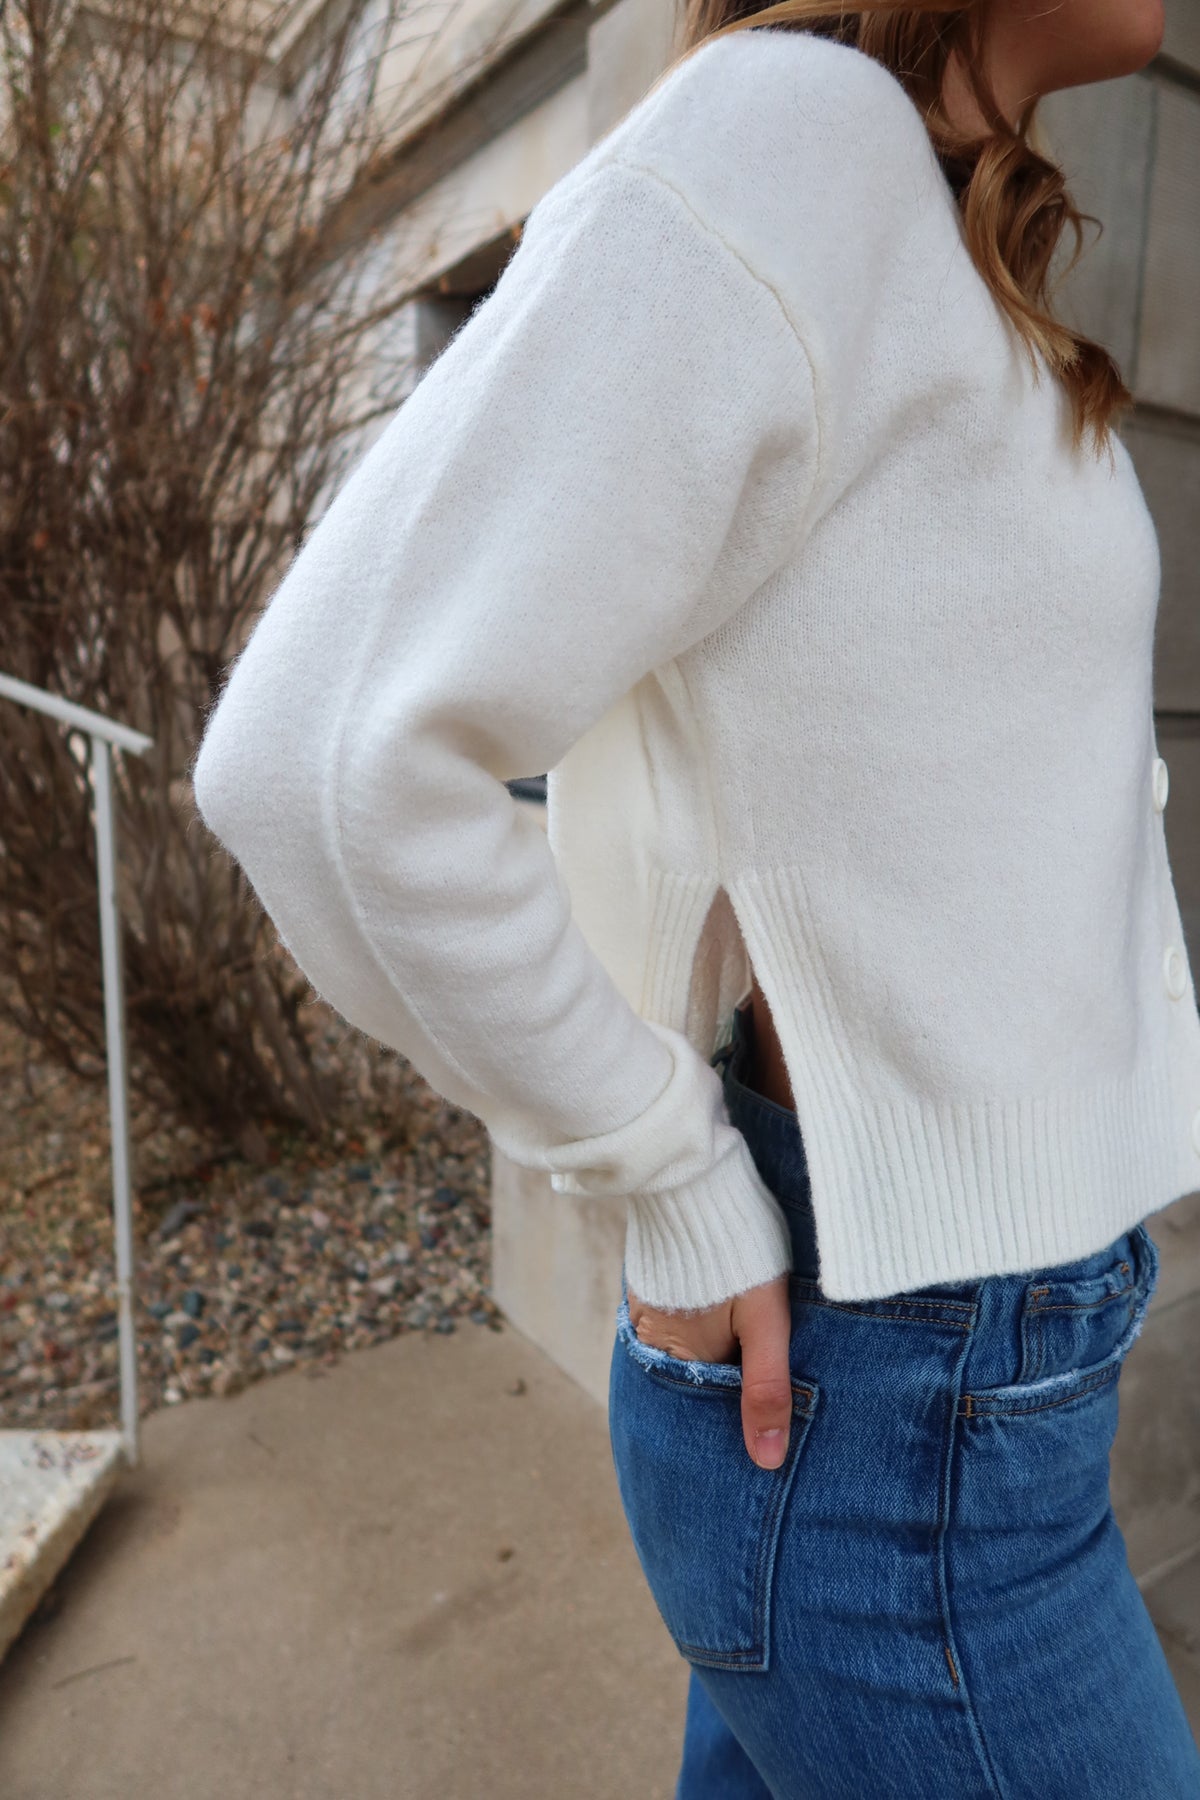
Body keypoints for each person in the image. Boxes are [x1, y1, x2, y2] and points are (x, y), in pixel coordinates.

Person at [191, 0, 1200, 1790]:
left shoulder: (921, 225)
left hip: (957, 1398)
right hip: (901, 1431)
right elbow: (322, 763)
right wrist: (664, 1173)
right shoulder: (792, 136)